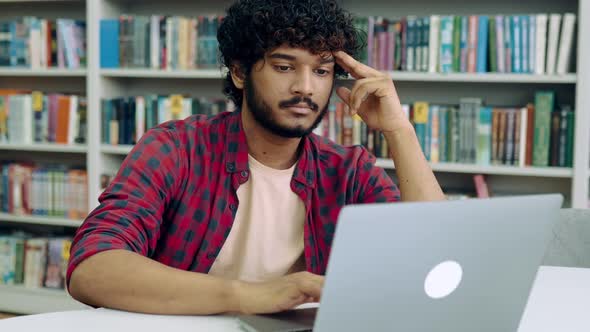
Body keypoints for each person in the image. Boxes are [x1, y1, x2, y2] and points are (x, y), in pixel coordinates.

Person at [67, 0, 445, 316]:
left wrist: (400, 131)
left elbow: (436, 262)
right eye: (284, 67)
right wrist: (249, 295)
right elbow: (93, 268)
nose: (305, 87)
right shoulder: (175, 149)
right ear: (239, 72)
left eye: (322, 70)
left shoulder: (348, 171)